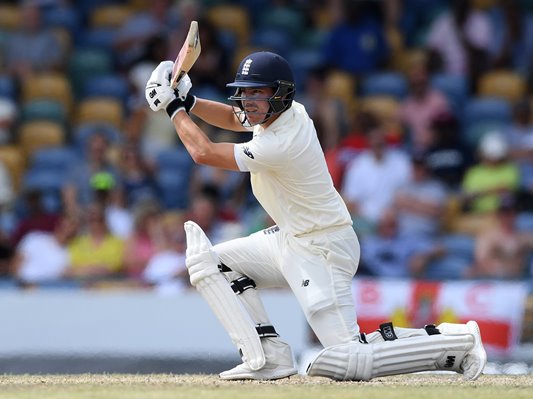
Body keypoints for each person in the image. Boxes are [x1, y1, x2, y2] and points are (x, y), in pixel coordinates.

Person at [144, 50, 486, 381]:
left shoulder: (281, 142)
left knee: (348, 355)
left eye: (256, 93)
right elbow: (236, 118)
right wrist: (189, 101)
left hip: (323, 247)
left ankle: (456, 343)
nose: (247, 102)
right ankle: (267, 357)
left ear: (280, 95)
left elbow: (203, 152)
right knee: (211, 263)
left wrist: (173, 108)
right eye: (243, 93)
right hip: (290, 238)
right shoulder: (282, 113)